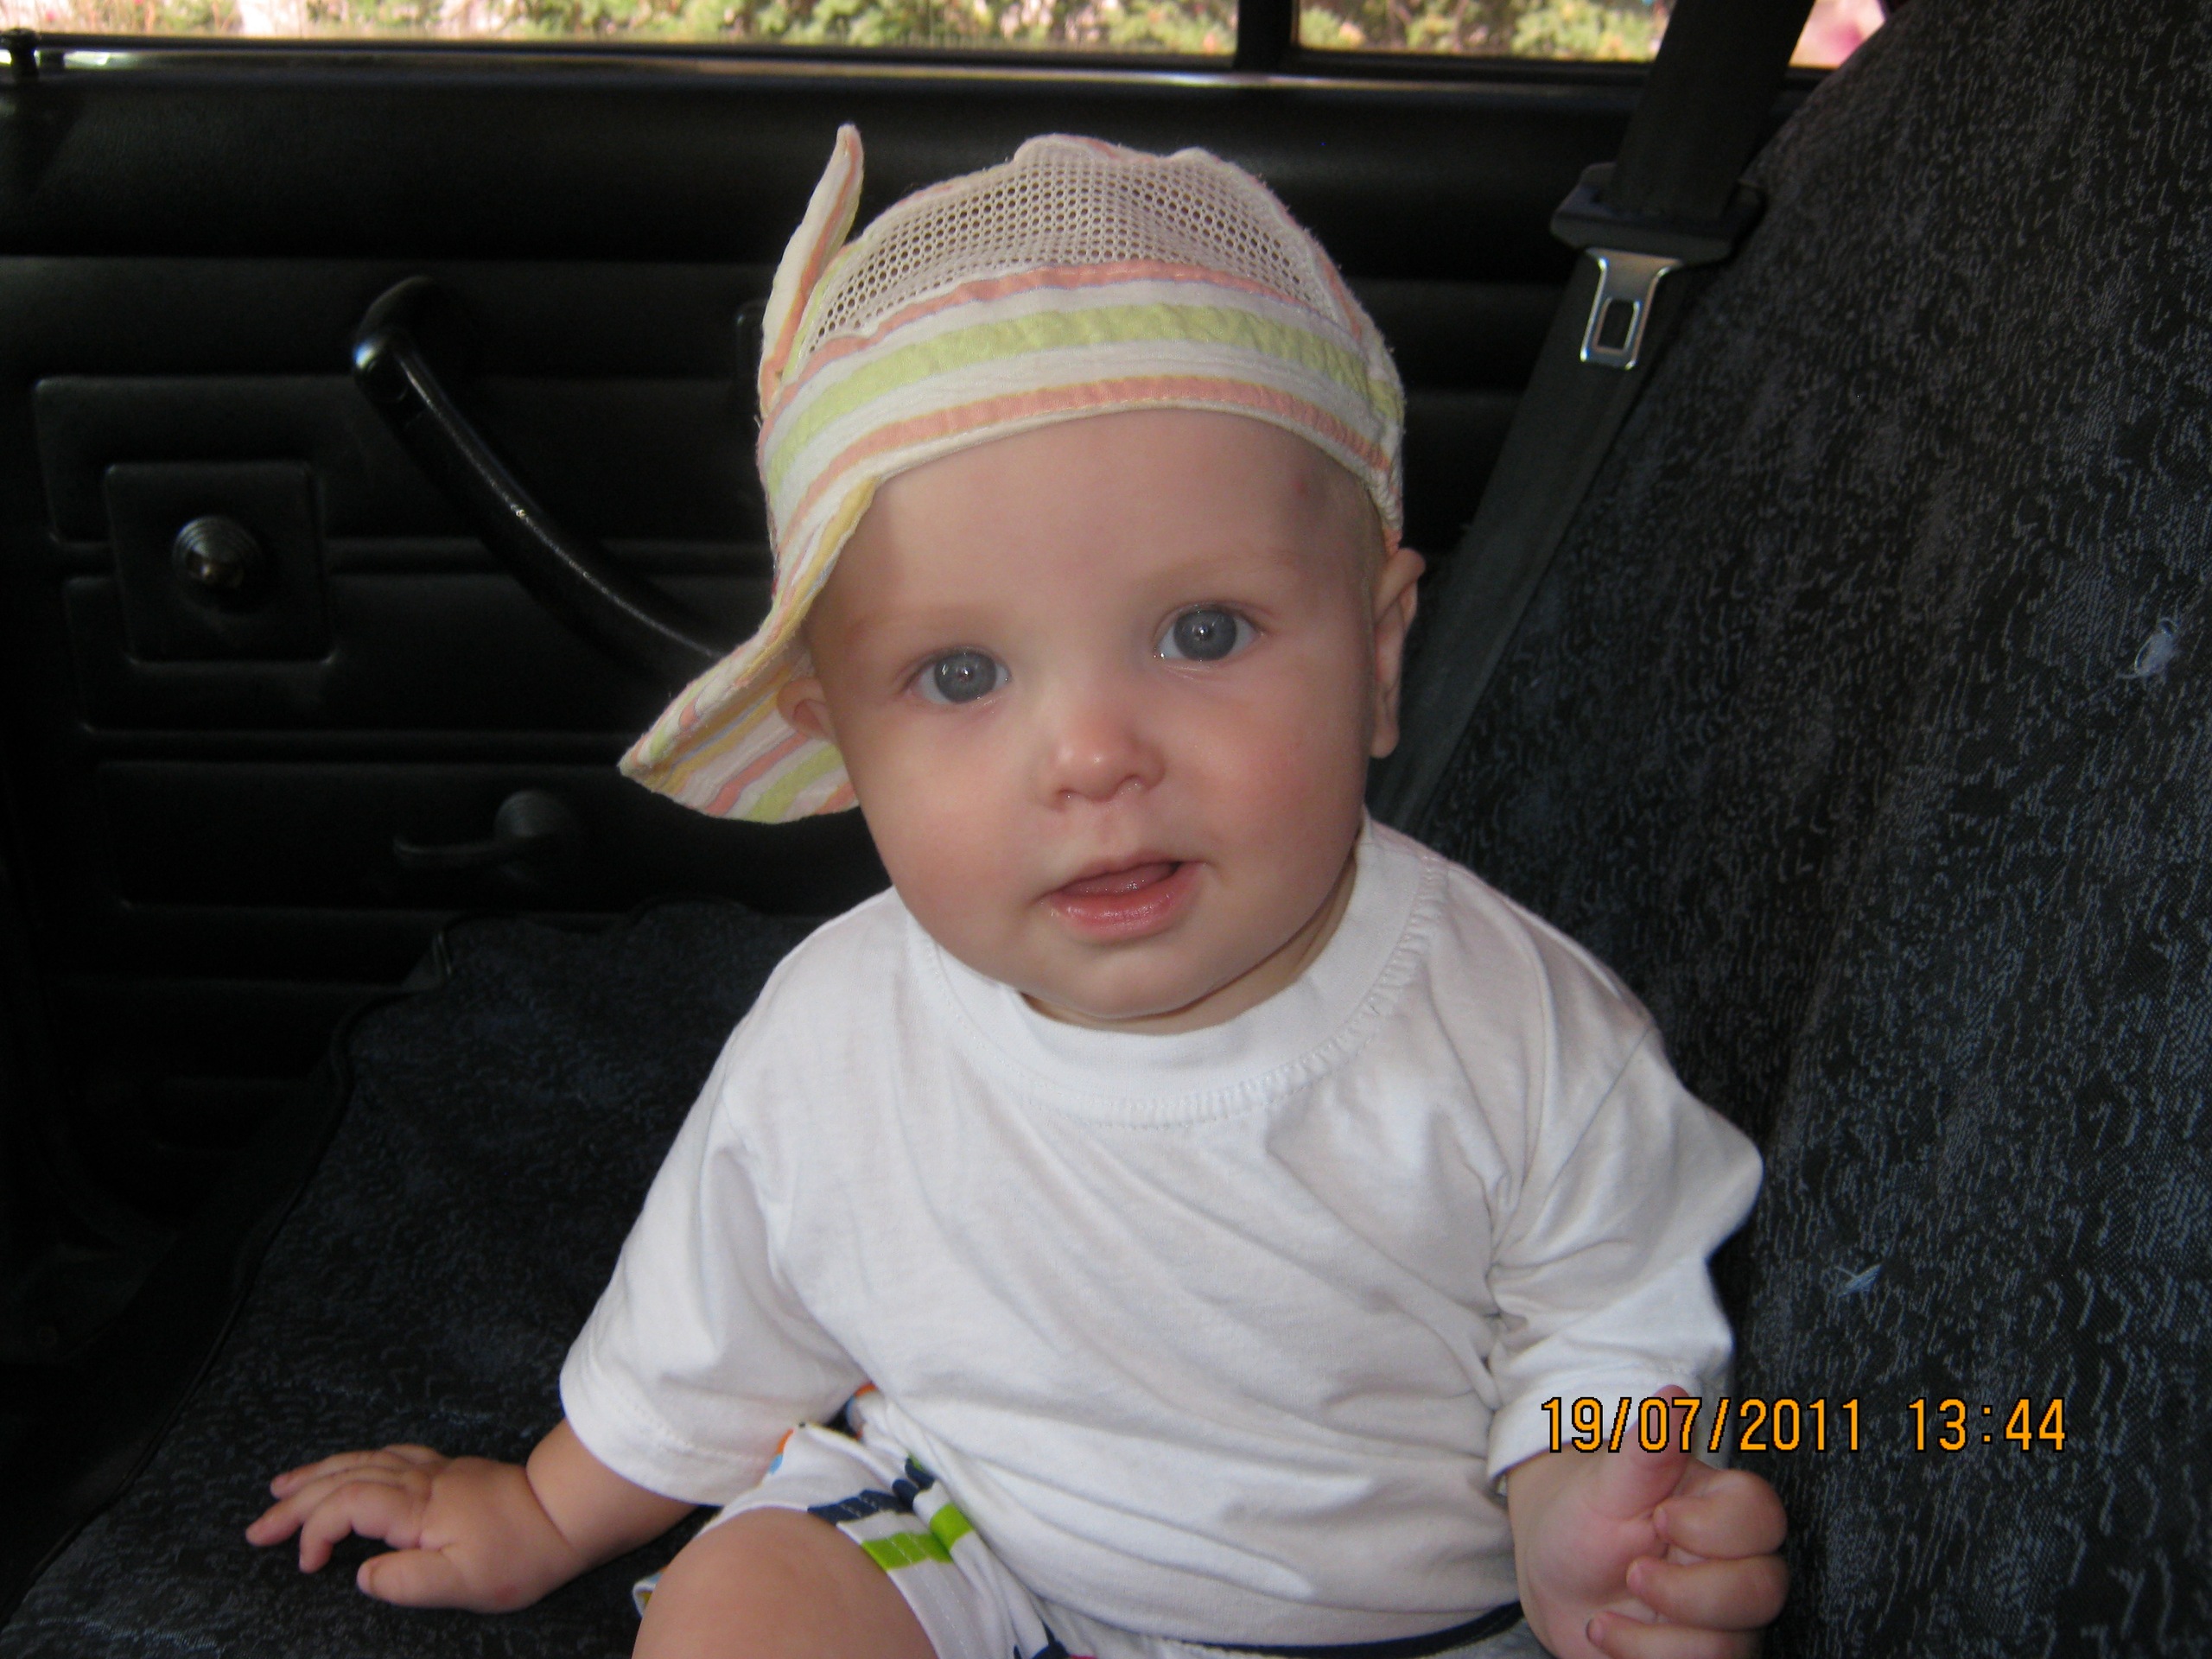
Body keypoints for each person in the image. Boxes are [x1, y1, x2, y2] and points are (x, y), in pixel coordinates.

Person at [246, 128, 1788, 1659]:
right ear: (841, 739)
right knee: (752, 1606)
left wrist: (1583, 1502)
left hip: (1410, 1620)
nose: (1094, 756)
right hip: (971, 1537)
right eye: (963, 675)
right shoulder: (839, 1031)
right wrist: (544, 1510)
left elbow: (1614, 1317)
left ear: (1379, 655)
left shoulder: (1517, 1027)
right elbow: (717, 1318)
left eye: (1202, 634)